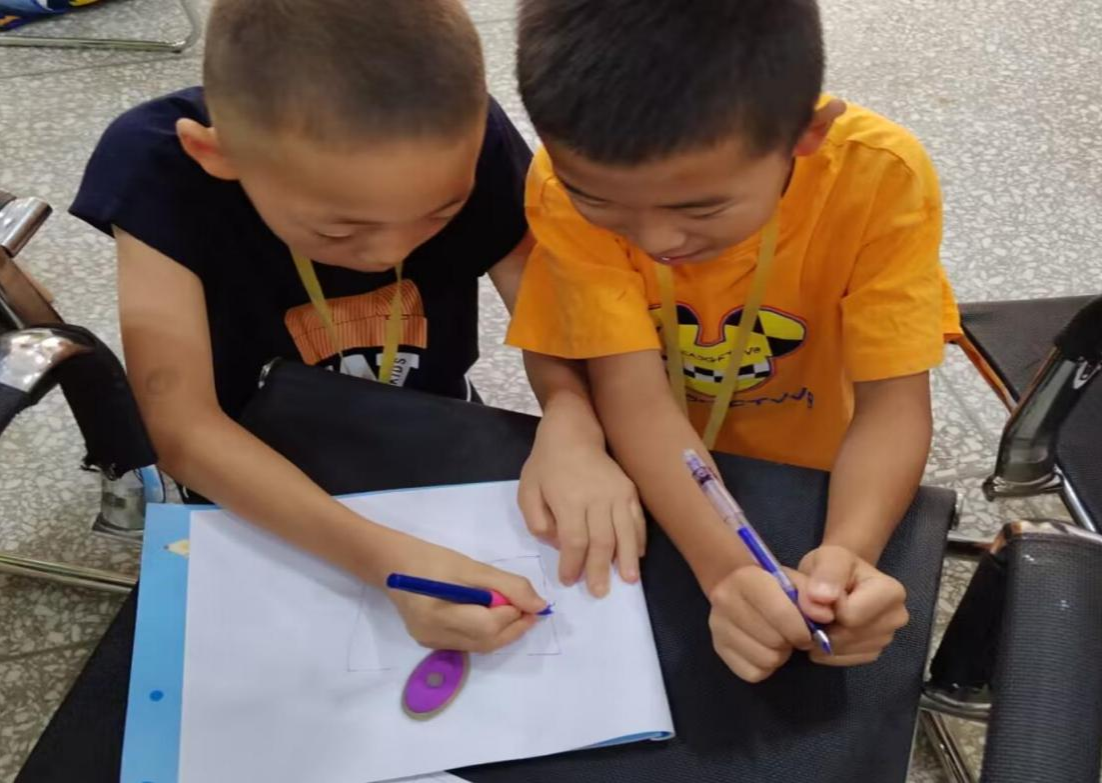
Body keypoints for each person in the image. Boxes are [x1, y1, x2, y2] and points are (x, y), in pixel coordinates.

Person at [71, 0, 642, 655]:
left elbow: (548, 312)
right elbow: (182, 427)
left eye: (442, 211)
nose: (389, 251)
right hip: (253, 462)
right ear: (216, 153)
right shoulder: (159, 167)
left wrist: (570, 417)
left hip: (429, 421)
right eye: (340, 229)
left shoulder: (465, 132)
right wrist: (387, 562)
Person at [508, 0, 961, 681]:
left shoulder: (880, 177)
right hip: (651, 473)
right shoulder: (557, 181)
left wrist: (848, 555)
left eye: (701, 208)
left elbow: (892, 403)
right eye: (598, 202)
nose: (657, 240)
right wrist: (724, 572)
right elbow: (632, 393)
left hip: (818, 467)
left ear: (805, 135)